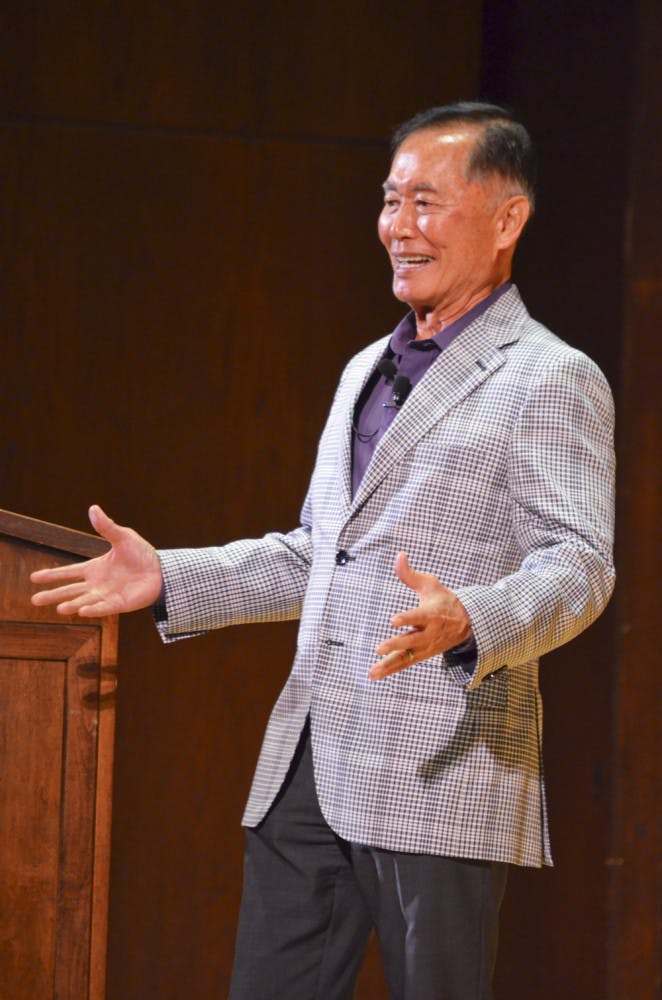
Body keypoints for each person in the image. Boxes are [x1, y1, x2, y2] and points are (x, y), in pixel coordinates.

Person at [31, 102, 616, 999]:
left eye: (427, 201)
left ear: (508, 218)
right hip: (309, 759)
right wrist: (169, 579)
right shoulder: (362, 371)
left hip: (438, 766)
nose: (399, 226)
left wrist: (473, 617)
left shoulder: (551, 376)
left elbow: (578, 564)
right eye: (390, 200)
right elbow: (322, 557)